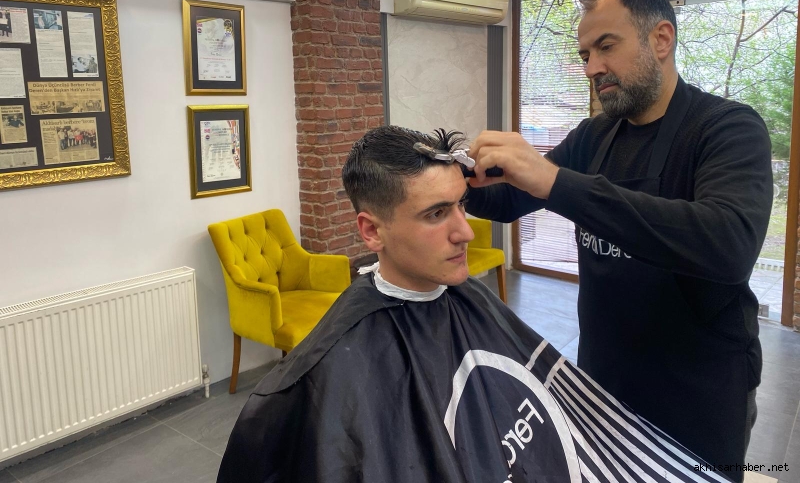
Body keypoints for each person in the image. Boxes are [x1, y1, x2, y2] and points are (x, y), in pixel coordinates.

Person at [217, 125, 719, 483]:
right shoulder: (320, 375)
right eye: (437, 214)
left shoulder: (469, 297)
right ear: (372, 231)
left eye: (461, 203)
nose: (466, 231)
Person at [466, 0, 772, 476]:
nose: (592, 68)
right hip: (605, 375)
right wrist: (452, 178)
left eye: (606, 47)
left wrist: (557, 182)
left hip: (698, 386)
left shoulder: (726, 128)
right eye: (585, 55)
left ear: (661, 39)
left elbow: (727, 243)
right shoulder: (594, 136)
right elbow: (507, 200)